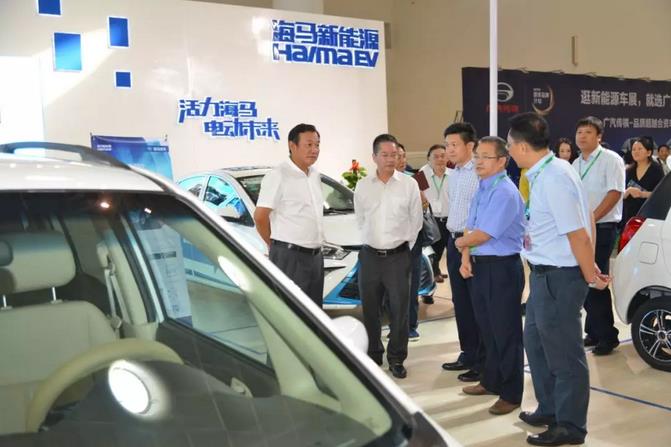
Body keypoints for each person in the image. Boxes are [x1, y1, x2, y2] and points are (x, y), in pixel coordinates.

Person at [507, 112, 608, 447]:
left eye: (510, 145)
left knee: (564, 355)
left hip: (560, 278)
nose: (509, 151)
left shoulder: (554, 177)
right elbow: (586, 216)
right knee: (536, 344)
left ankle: (570, 425)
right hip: (542, 276)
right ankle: (550, 407)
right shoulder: (546, 172)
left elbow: (578, 234)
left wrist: (590, 274)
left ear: (523, 147)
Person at [455, 136, 525, 416]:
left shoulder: (505, 192)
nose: (478, 162)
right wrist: (465, 257)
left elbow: (483, 234)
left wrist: (460, 244)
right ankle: (491, 380)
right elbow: (470, 226)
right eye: (477, 156)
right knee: (487, 329)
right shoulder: (483, 187)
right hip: (480, 265)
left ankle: (511, 393)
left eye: (485, 157)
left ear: (502, 161)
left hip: (502, 268)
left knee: (506, 332)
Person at [354, 134, 423, 379]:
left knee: (400, 310)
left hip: (398, 257)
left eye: (394, 154)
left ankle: (397, 358)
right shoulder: (363, 185)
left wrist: (402, 248)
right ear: (374, 157)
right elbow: (360, 218)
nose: (390, 159)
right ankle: (374, 354)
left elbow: (416, 221)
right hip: (370, 256)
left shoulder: (409, 184)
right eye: (385, 155)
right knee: (370, 309)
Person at [254, 123, 325, 306]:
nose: (314, 150)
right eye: (309, 145)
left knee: (314, 311)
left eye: (317, 145)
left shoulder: (315, 175)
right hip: (290, 256)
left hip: (316, 256)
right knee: (292, 310)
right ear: (292, 146)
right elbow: (260, 217)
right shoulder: (278, 175)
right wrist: (276, 246)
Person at [572, 116, 624, 356]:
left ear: (599, 136)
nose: (582, 136)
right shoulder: (576, 163)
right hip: (581, 229)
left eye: (588, 132)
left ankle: (607, 336)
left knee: (596, 279)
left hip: (602, 228)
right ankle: (593, 331)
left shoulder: (611, 159)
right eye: (579, 132)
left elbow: (615, 193)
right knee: (585, 278)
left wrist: (592, 218)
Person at [440, 122, 484, 383]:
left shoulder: (479, 172)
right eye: (447, 145)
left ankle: (481, 360)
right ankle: (468, 353)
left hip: (474, 244)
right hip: (454, 241)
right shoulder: (454, 173)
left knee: (476, 302)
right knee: (461, 302)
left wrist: (467, 244)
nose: (449, 149)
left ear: (470, 146)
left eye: (454, 145)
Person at [421, 144, 451, 283]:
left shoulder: (453, 175)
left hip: (449, 220)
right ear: (429, 159)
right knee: (433, 251)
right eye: (436, 156)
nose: (440, 159)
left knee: (446, 250)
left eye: (443, 156)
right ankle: (432, 276)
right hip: (431, 220)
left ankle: (437, 271)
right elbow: (417, 194)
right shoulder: (423, 175)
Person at [622, 137, 665, 225]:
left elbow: (662, 194)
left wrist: (642, 194)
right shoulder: (629, 170)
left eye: (640, 149)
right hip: (630, 216)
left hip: (650, 216)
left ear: (648, 152)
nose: (636, 152)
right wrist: (627, 192)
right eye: (633, 149)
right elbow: (621, 193)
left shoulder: (656, 170)